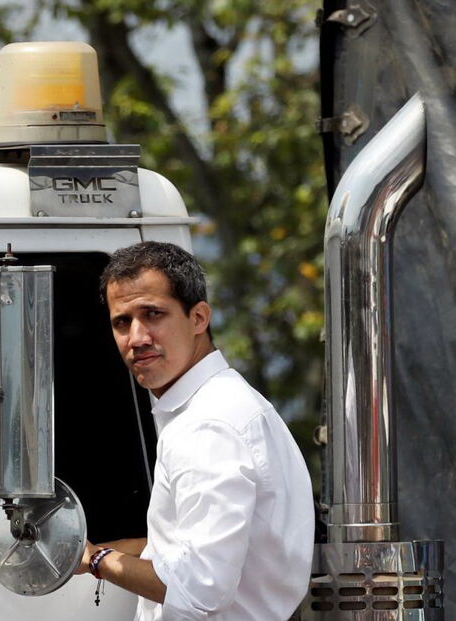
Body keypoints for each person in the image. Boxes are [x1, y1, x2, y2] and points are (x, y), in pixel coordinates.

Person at [76, 241, 313, 621]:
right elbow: (212, 549)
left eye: (153, 314)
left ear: (199, 318)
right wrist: (123, 548)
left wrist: (97, 559)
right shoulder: (220, 405)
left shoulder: (208, 425)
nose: (137, 338)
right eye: (122, 322)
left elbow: (199, 588)